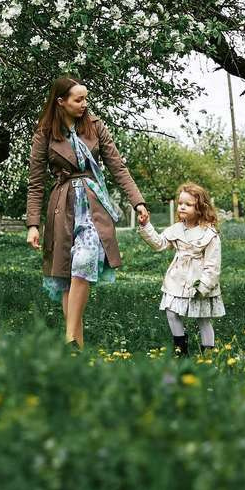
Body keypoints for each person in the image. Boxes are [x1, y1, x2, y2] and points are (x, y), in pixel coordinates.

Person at [25, 75, 150, 349]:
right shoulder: (44, 133)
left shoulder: (95, 127)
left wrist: (137, 202)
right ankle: (76, 351)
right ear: (61, 102)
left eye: (85, 99)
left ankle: (68, 338)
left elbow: (118, 167)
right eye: (78, 100)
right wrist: (33, 224)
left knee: (83, 263)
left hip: (93, 206)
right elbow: (35, 183)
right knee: (67, 278)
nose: (84, 105)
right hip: (62, 207)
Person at [138, 181, 224, 357]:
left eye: (188, 204)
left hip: (198, 282)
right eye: (180, 203)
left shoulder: (209, 234)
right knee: (171, 312)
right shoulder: (176, 229)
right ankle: (181, 350)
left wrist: (204, 286)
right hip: (176, 280)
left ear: (200, 207)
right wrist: (146, 225)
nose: (182, 207)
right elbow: (160, 244)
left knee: (203, 318)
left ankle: (208, 354)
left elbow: (213, 265)